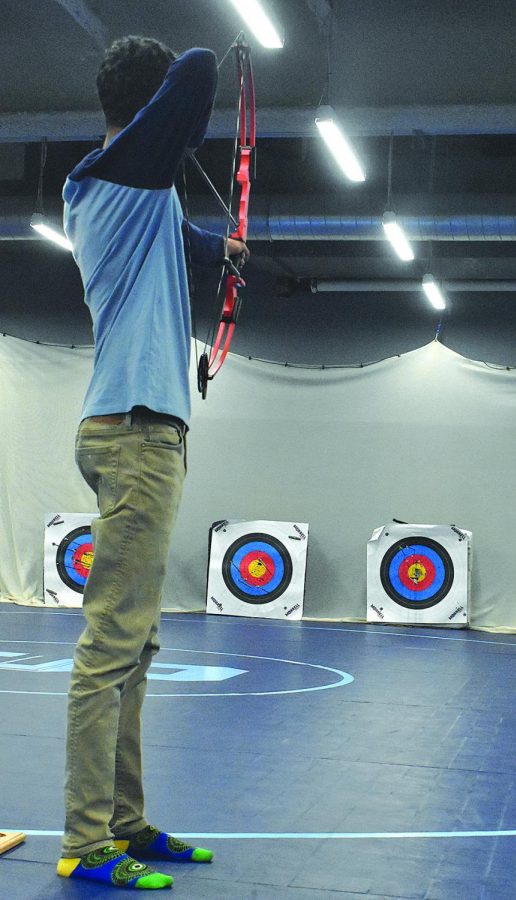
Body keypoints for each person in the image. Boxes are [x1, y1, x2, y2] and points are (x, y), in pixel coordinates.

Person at [57, 35, 249, 890]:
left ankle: (126, 824)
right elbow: (203, 64)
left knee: (135, 647)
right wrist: (176, 126)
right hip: (136, 435)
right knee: (109, 648)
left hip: (140, 431)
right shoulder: (109, 179)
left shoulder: (141, 199)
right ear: (140, 116)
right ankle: (86, 841)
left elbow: (187, 241)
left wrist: (226, 253)